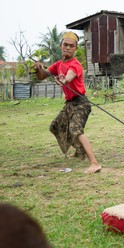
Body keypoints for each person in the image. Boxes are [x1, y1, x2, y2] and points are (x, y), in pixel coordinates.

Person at [34, 31, 101, 174]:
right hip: (69, 104)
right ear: (61, 46)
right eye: (65, 45)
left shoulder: (75, 64)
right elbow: (42, 76)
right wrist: (38, 68)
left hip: (81, 103)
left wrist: (63, 79)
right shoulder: (57, 65)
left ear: (76, 48)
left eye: (71, 46)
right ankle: (78, 150)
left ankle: (94, 163)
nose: (68, 48)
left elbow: (69, 77)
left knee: (76, 130)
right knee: (55, 126)